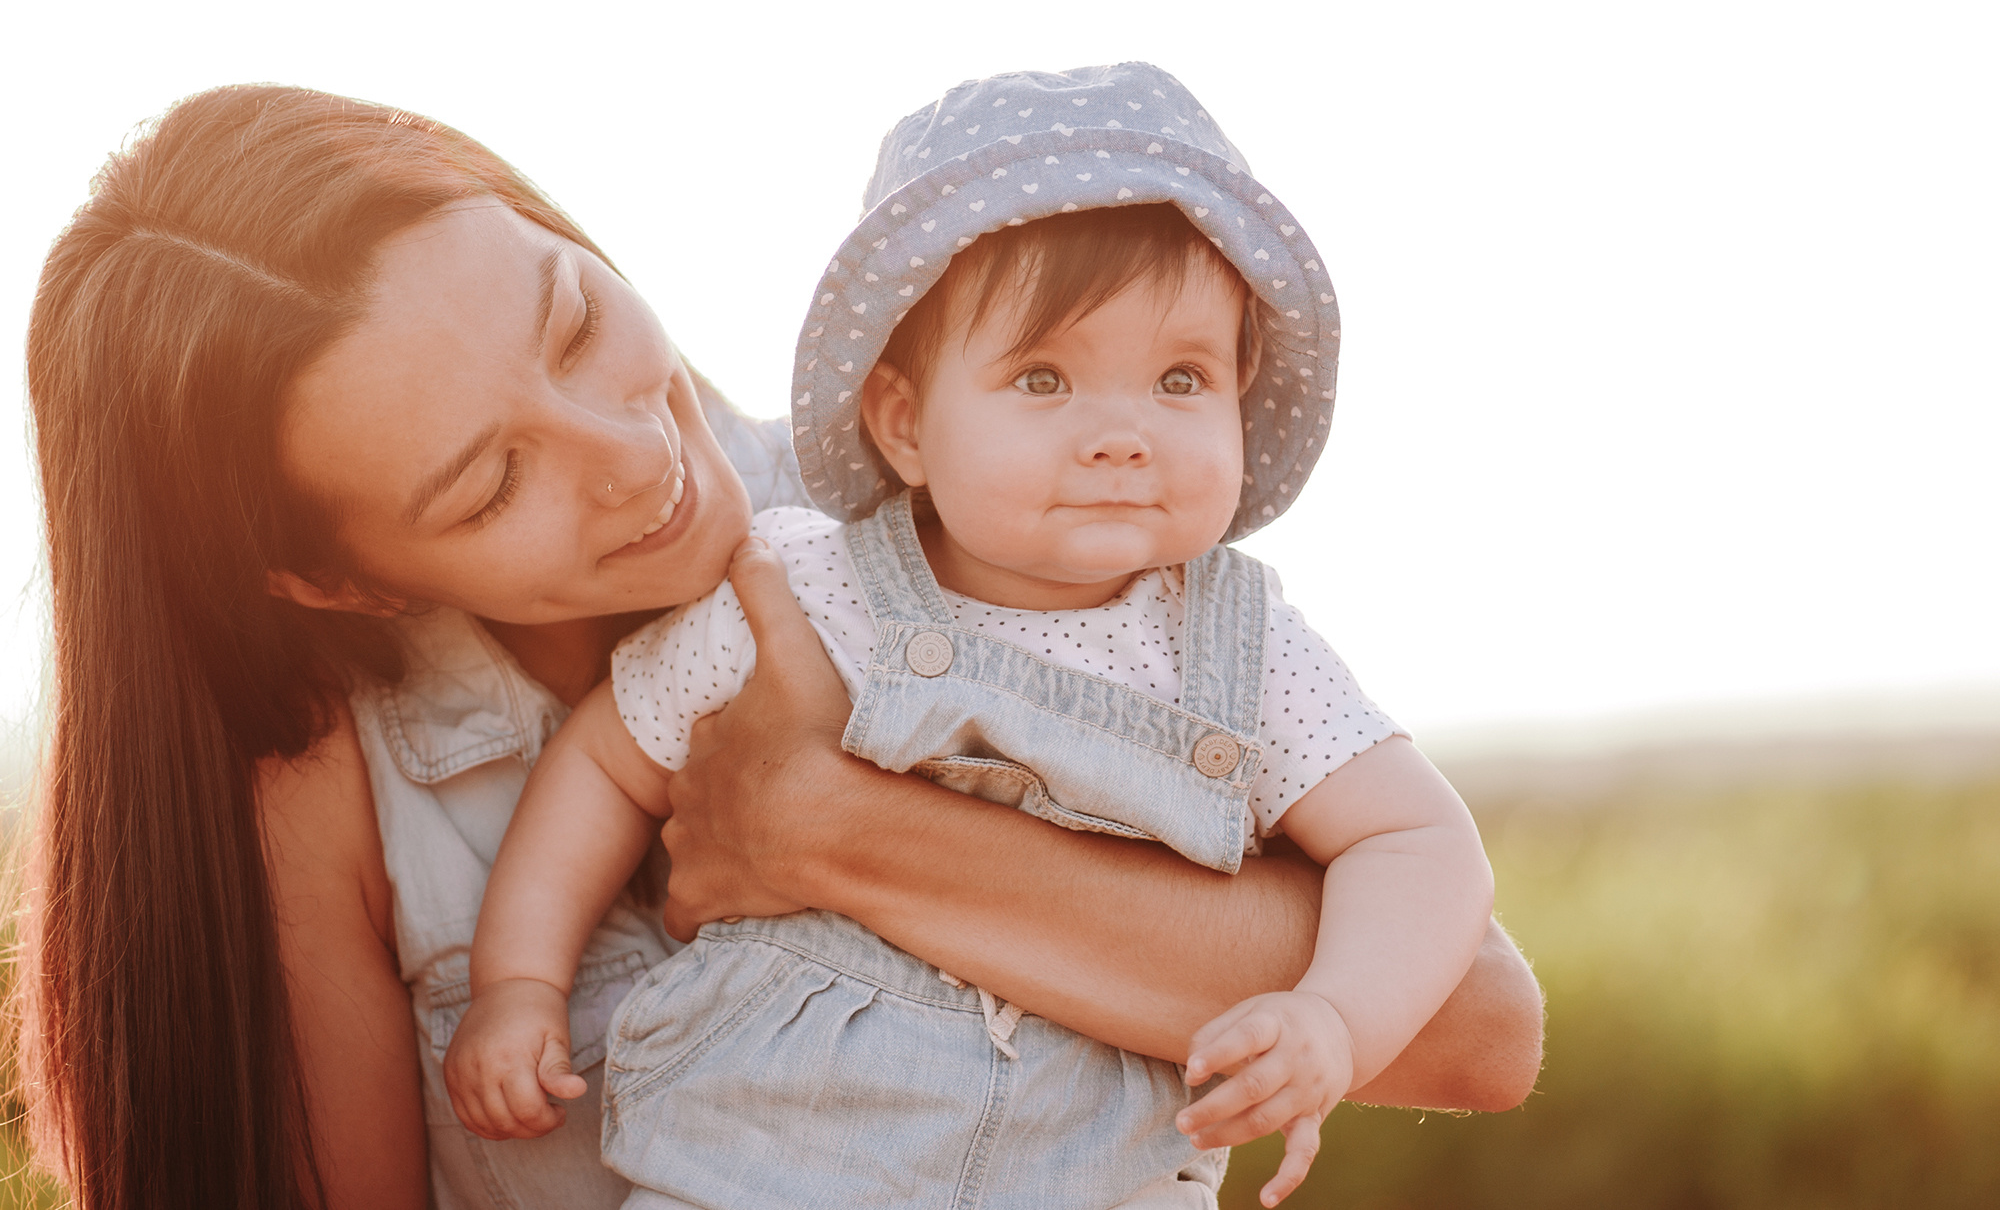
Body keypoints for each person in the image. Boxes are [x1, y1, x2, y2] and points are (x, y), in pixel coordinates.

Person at [16, 83, 1543, 1210]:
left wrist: (829, 830)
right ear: (336, 578)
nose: (623, 451)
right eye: (490, 482)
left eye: (570, 322)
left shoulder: (975, 524)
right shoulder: (321, 788)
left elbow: (1479, 1029)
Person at [445, 64, 1494, 1210]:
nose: (1120, 433)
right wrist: (516, 980)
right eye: (1043, 377)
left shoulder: (1246, 649)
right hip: (766, 1157)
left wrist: (1334, 1013)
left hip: (1099, 1180)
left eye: (1179, 378)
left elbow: (1416, 839)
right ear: (903, 423)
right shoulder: (808, 586)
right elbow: (608, 757)